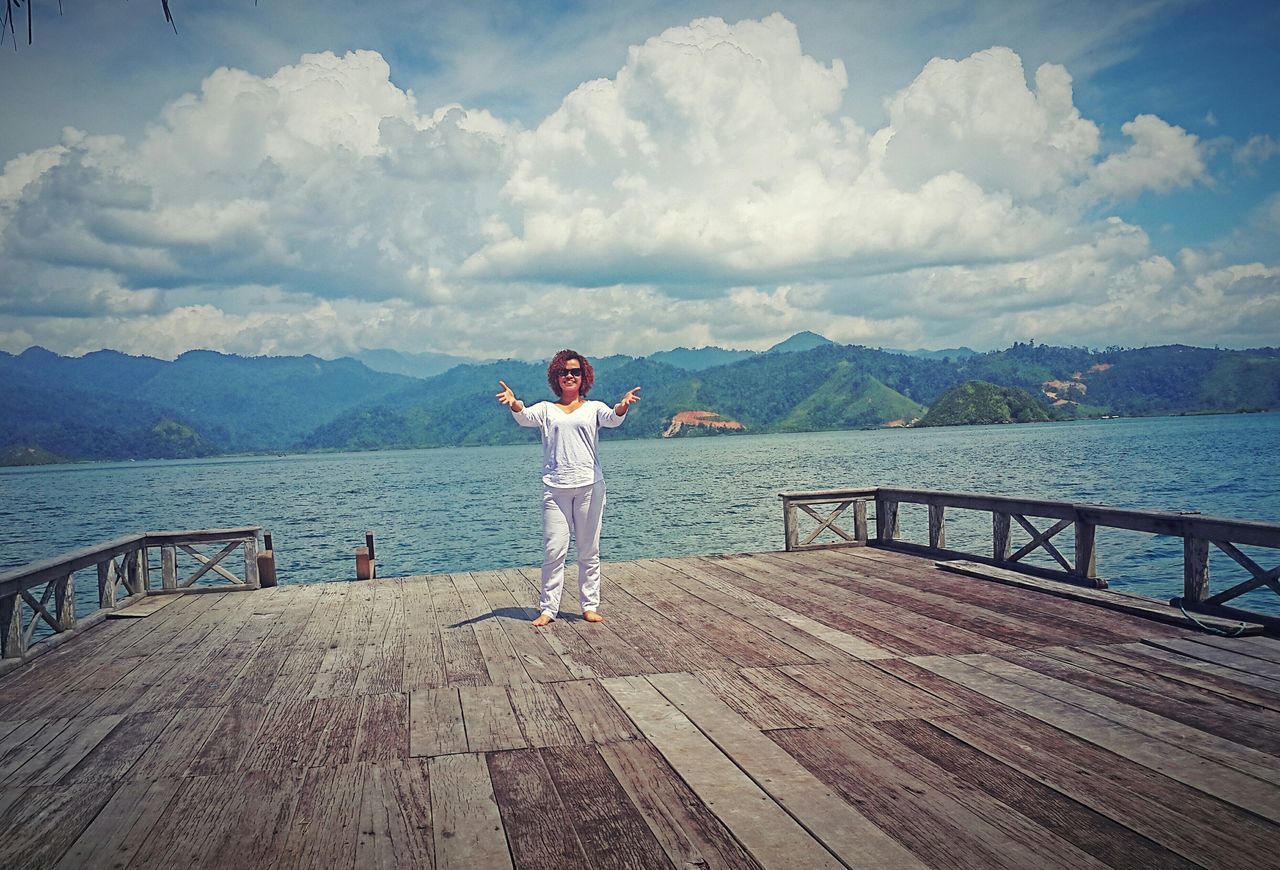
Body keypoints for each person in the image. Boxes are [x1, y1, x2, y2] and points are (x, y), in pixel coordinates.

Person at [496, 350, 641, 627]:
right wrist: (513, 403)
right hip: (555, 489)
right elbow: (525, 417)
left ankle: (589, 605)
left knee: (588, 551)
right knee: (554, 551)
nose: (570, 376)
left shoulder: (593, 408)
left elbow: (612, 418)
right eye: (564, 372)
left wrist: (623, 405)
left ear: (583, 376)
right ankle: (548, 609)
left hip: (589, 486)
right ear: (556, 377)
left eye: (575, 371)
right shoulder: (546, 410)